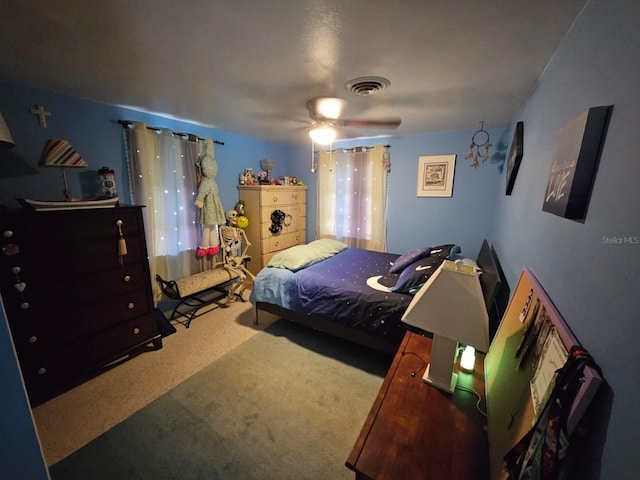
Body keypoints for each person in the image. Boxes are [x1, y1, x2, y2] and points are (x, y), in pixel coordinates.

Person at [194, 140, 225, 257]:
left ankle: (209, 245)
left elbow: (203, 191)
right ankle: (210, 245)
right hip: (213, 206)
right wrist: (200, 199)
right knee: (210, 227)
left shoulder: (207, 181)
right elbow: (204, 191)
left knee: (208, 227)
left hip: (210, 207)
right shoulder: (210, 181)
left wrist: (200, 199)